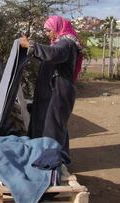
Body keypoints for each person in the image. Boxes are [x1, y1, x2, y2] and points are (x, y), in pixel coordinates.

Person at [19, 16, 83, 159]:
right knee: (54, 123)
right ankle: (57, 155)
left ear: (57, 28)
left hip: (59, 91)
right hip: (56, 89)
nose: (47, 33)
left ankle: (51, 159)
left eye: (49, 30)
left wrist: (31, 45)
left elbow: (54, 54)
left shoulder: (66, 43)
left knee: (52, 125)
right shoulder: (61, 43)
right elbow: (50, 55)